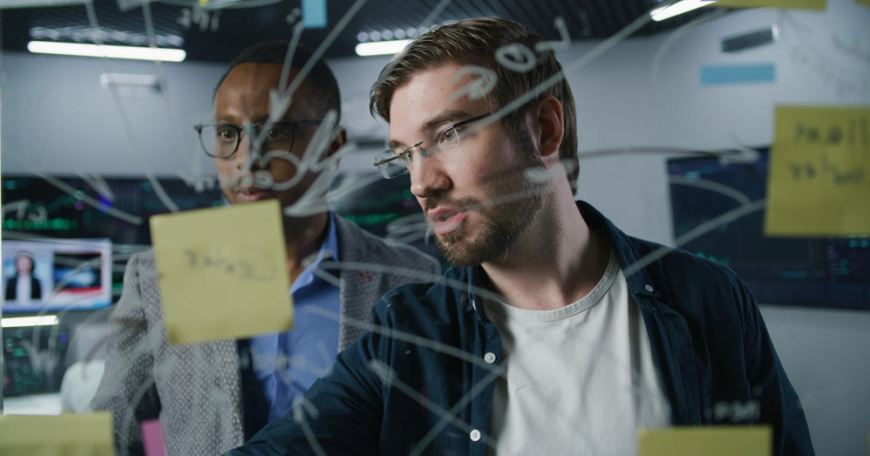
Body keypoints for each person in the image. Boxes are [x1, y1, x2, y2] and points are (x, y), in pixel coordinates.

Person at [226, 18, 814, 456]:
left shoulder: (706, 299)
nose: (421, 183)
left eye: (449, 134)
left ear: (545, 129)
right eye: (404, 156)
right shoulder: (406, 335)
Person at [91, 41, 440, 456]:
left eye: (274, 131)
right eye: (227, 133)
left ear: (332, 145)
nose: (246, 158)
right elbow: (114, 436)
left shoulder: (413, 279)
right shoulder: (159, 279)